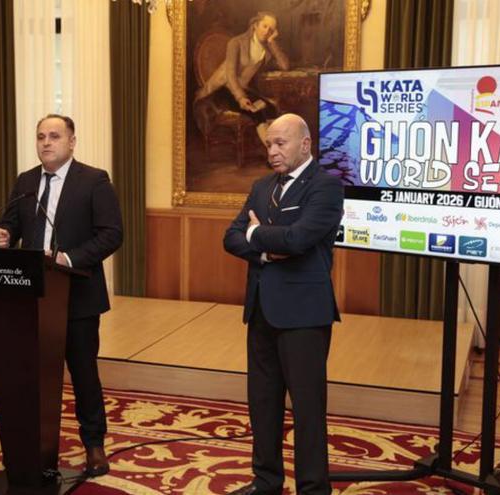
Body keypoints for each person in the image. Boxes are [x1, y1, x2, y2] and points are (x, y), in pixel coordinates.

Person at [0, 114, 122, 477]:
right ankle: (31, 446)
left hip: (77, 296)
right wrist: (2, 234)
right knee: (30, 376)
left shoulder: (94, 181)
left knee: (83, 374)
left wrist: (68, 258)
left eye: (54, 136)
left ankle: (94, 445)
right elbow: (12, 225)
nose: (46, 143)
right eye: (41, 137)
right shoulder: (26, 181)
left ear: (72, 142)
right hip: (30, 300)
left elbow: (111, 234)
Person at [223, 113, 343, 495]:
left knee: (307, 410)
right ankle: (266, 481)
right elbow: (230, 237)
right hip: (261, 310)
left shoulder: (326, 187)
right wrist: (263, 252)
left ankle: (312, 488)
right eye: (269, 144)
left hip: (304, 315)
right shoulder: (261, 187)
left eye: (281, 143)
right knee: (263, 402)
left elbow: (298, 239)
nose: (272, 151)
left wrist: (256, 233)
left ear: (305, 144)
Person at [194, 11, 290, 145]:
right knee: (257, 113)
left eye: (271, 29)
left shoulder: (266, 48)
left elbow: (285, 66)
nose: (267, 31)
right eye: (264, 26)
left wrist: (272, 42)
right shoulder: (236, 43)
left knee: (271, 109)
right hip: (221, 90)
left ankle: (275, 150)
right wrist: (240, 97)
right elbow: (230, 74)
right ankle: (271, 152)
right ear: (255, 25)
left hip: (242, 89)